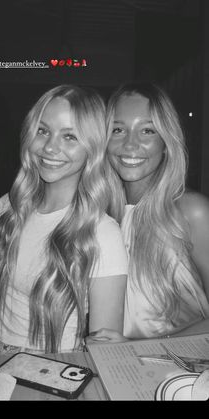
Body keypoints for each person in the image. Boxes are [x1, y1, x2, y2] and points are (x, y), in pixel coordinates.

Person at [0, 84, 127, 355]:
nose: (50, 147)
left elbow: (104, 350)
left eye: (70, 137)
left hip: (50, 369)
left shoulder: (103, 233)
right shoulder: (8, 207)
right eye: (43, 131)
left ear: (92, 148)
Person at [88, 81, 209, 344]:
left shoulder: (191, 212)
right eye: (118, 129)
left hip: (180, 374)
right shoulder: (98, 215)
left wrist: (138, 347)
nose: (130, 145)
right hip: (111, 368)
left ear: (166, 142)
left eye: (147, 131)